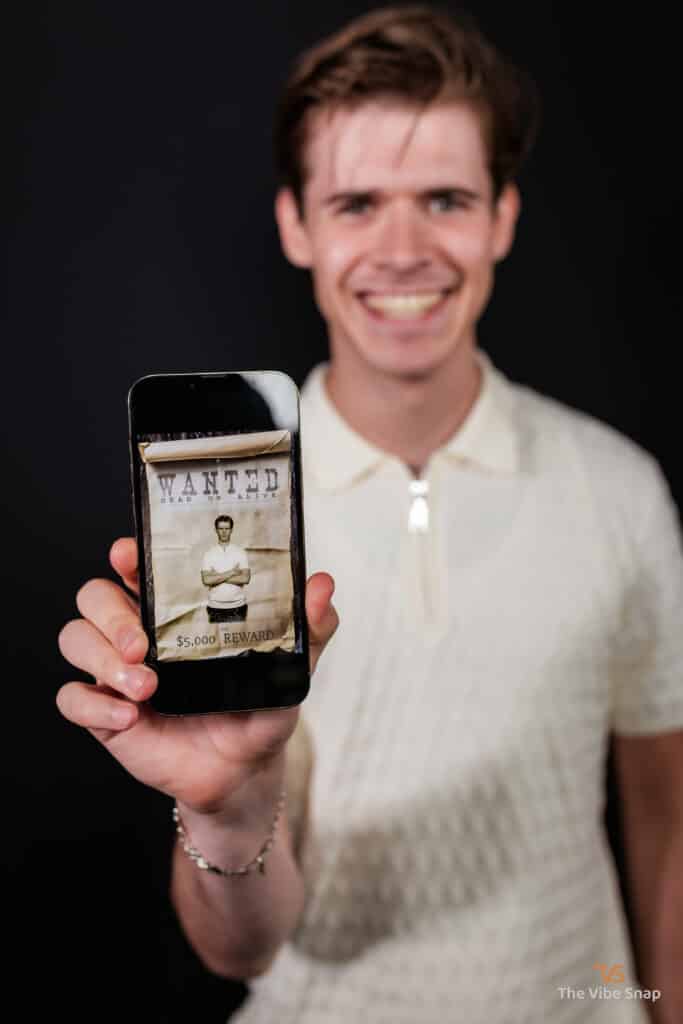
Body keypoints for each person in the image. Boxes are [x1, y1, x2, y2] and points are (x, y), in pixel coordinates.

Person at [56, 6, 683, 1022]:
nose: (403, 250)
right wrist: (225, 807)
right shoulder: (212, 526)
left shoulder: (620, 489)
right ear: (295, 225)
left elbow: (666, 820)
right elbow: (238, 948)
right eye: (355, 203)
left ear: (501, 217)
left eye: (444, 198)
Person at [202, 515, 251, 623]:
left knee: (239, 634)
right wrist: (232, 572)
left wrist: (216, 576)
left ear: (231, 530)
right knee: (216, 634)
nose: (224, 532)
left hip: (238, 606)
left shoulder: (240, 552)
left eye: (227, 528)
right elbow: (206, 580)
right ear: (216, 530)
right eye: (221, 529)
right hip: (215, 607)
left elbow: (245, 579)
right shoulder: (208, 554)